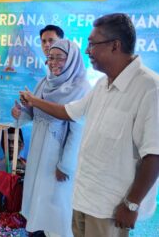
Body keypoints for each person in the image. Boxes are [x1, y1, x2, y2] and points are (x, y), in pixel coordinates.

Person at [18, 13, 159, 237]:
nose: (87, 51)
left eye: (92, 44)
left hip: (110, 207)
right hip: (83, 197)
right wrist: (33, 102)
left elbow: (154, 155)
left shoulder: (150, 88)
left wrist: (132, 204)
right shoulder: (102, 84)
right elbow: (68, 112)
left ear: (115, 46)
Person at [13, 39, 90, 237]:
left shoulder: (81, 87)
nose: (54, 62)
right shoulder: (44, 82)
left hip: (58, 156)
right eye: (50, 58)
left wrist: (65, 165)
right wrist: (21, 111)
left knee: (56, 204)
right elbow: (33, 114)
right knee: (38, 199)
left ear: (71, 59)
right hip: (39, 150)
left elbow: (78, 130)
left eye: (59, 58)